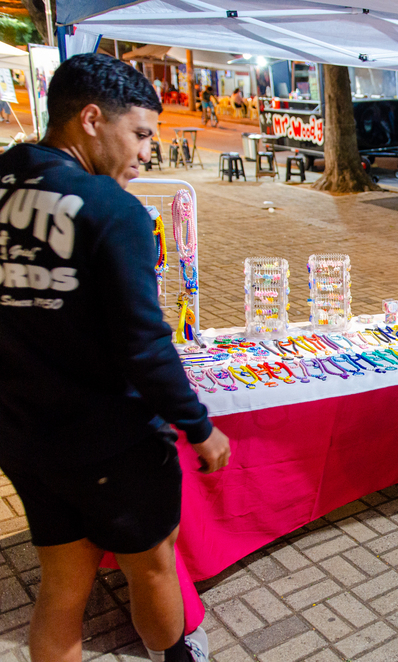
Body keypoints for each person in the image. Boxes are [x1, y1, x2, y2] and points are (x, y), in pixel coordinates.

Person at [0, 54, 230, 662]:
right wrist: (198, 425)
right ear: (92, 119)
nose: (148, 151)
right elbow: (144, 344)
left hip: (24, 435)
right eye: (142, 133)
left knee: (62, 581)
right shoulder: (110, 208)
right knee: (153, 567)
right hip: (110, 440)